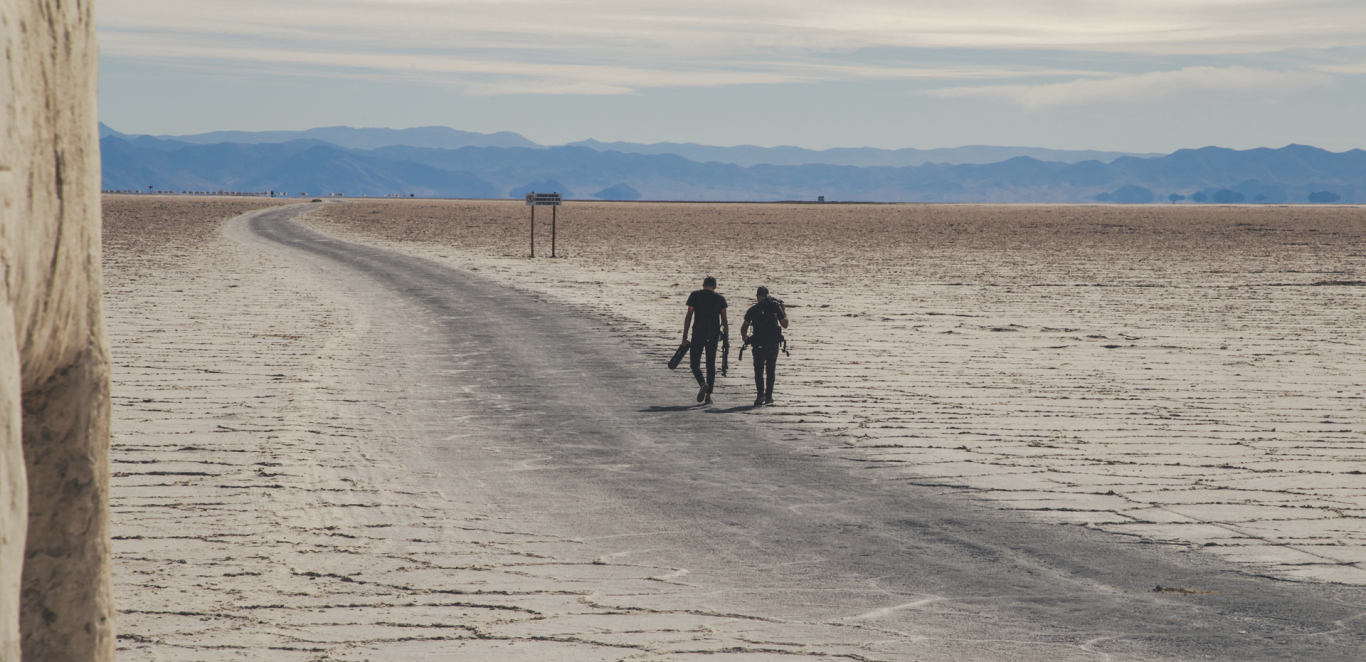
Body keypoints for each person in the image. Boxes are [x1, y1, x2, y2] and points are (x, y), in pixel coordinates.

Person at [681, 276, 728, 404]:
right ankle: (708, 396)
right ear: (715, 286)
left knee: (694, 364)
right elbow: (724, 320)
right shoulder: (720, 299)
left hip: (698, 334)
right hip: (713, 336)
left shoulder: (695, 295)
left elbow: (689, 316)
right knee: (710, 365)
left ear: (703, 285)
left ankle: (702, 383)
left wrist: (684, 336)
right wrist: (726, 339)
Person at [740, 286, 789, 406]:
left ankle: (760, 395)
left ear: (757, 297)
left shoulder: (753, 309)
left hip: (758, 345)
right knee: (770, 370)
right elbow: (785, 324)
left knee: (759, 370)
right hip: (773, 344)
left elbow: (744, 327)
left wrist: (745, 336)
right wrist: (783, 310)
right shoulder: (775, 307)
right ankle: (769, 397)